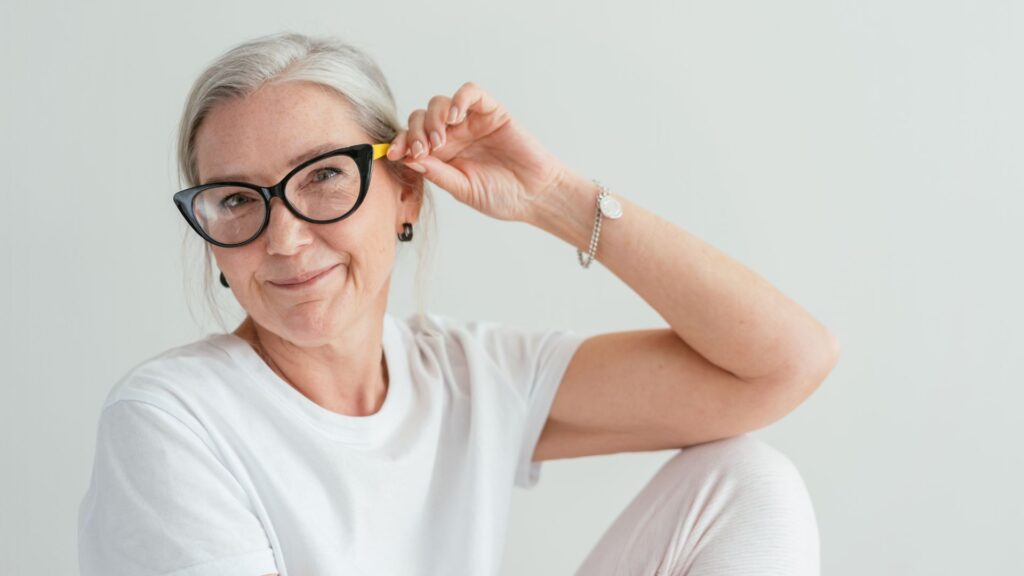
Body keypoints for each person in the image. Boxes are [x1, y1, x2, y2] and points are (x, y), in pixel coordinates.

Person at [77, 31, 840, 576]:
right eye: (237, 199)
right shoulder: (171, 420)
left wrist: (556, 200)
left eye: (323, 178)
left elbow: (782, 366)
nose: (282, 238)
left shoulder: (465, 377)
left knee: (747, 481)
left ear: (405, 191)